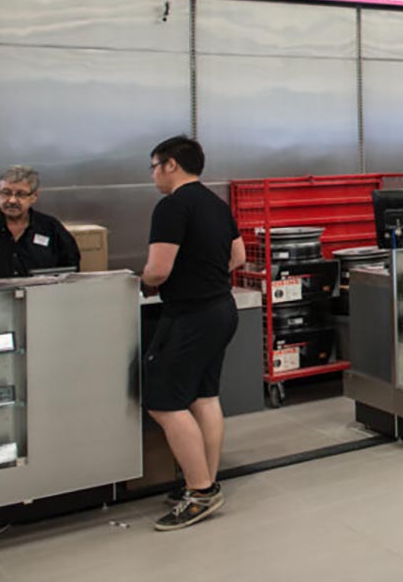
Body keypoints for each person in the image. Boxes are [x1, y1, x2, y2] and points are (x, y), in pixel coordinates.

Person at [142, 136, 245, 531]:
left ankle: (200, 491)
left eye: (154, 166)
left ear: (171, 165)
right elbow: (236, 257)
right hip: (222, 308)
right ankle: (202, 478)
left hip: (190, 315)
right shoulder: (216, 203)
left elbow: (158, 270)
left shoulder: (171, 207)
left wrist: (141, 279)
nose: (153, 175)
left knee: (163, 402)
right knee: (204, 395)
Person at [0, 166, 80, 277]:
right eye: (6, 193)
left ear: (34, 196)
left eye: (21, 194)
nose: (12, 200)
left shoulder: (50, 228)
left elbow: (70, 269)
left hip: (39, 293)